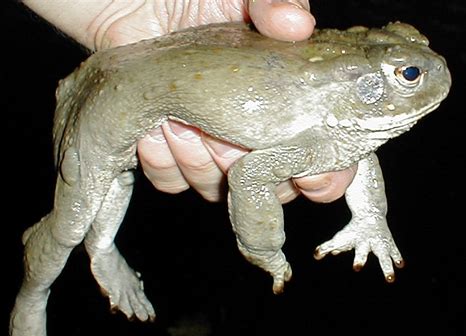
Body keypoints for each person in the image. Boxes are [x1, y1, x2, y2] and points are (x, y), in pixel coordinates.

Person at [22, 0, 356, 204]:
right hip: (115, 101)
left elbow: (354, 153)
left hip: (144, 78)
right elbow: (250, 176)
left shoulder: (345, 110)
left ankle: (101, 250)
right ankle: (32, 297)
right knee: (73, 217)